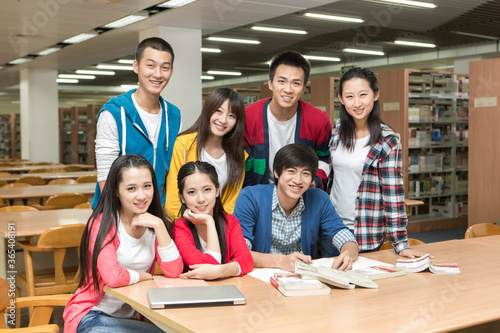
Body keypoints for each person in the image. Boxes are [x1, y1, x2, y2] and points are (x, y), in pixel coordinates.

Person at [63, 154, 183, 333]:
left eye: (147, 186)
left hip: (131, 318)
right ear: (116, 191)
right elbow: (113, 277)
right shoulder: (102, 223)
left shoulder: (153, 224)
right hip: (92, 316)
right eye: (131, 188)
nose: (141, 195)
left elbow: (174, 271)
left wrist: (159, 225)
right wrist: (144, 276)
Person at [328, 67, 427, 258]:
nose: (357, 103)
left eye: (363, 95)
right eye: (349, 96)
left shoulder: (388, 142)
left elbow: (393, 195)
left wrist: (400, 244)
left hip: (362, 234)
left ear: (375, 94)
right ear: (341, 99)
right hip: (329, 227)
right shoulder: (337, 129)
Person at [233, 143, 358, 272]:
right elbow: (239, 251)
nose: (298, 180)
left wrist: (347, 254)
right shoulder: (250, 197)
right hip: (258, 277)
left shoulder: (319, 199)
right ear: (276, 172)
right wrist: (281, 261)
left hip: (300, 279)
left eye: (305, 173)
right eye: (291, 171)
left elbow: (344, 236)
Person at [91, 37, 181, 208]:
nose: (157, 74)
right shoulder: (114, 112)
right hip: (117, 213)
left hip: (157, 212)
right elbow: (105, 176)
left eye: (165, 67)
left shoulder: (174, 115)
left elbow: (173, 171)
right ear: (136, 66)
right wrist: (122, 221)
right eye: (150, 65)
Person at [244, 51, 331, 189]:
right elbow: (243, 163)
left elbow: (325, 159)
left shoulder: (318, 120)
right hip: (259, 195)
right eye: (281, 81)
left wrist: (315, 180)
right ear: (270, 83)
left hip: (302, 195)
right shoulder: (248, 117)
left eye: (296, 83)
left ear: (303, 88)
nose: (288, 89)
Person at [165, 88, 246, 221]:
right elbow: (173, 198)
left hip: (217, 228)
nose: (223, 120)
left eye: (231, 116)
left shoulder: (239, 156)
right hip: (184, 226)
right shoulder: (184, 145)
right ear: (208, 110)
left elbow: (230, 205)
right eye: (218, 111)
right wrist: (178, 230)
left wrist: (217, 231)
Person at [174, 161, 253, 280]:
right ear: (182, 198)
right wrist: (209, 222)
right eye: (191, 192)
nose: (201, 199)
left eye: (207, 189)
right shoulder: (180, 227)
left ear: (217, 191)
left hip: (225, 290)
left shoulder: (230, 222)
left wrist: (220, 270)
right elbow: (208, 268)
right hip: (192, 292)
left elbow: (246, 261)